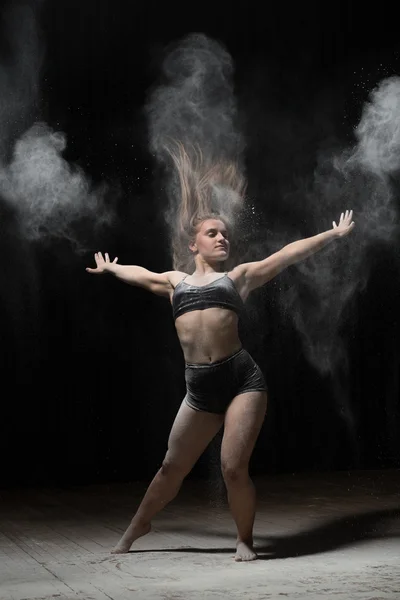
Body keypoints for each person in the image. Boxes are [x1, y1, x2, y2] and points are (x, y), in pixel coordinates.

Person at [86, 203, 355, 561]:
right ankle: (138, 526)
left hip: (242, 381)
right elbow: (141, 274)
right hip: (199, 390)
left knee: (232, 468)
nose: (221, 237)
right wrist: (112, 268)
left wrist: (332, 234)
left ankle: (244, 539)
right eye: (212, 233)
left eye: (225, 233)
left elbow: (287, 255)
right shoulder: (174, 282)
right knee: (170, 468)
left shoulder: (238, 278)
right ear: (194, 246)